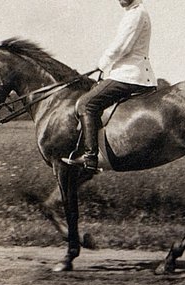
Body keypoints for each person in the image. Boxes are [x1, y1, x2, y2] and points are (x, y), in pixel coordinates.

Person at [64, 0, 157, 172]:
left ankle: (90, 157)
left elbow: (121, 47)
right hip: (128, 74)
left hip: (130, 75)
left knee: (85, 103)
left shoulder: (136, 13)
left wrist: (102, 64)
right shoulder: (132, 13)